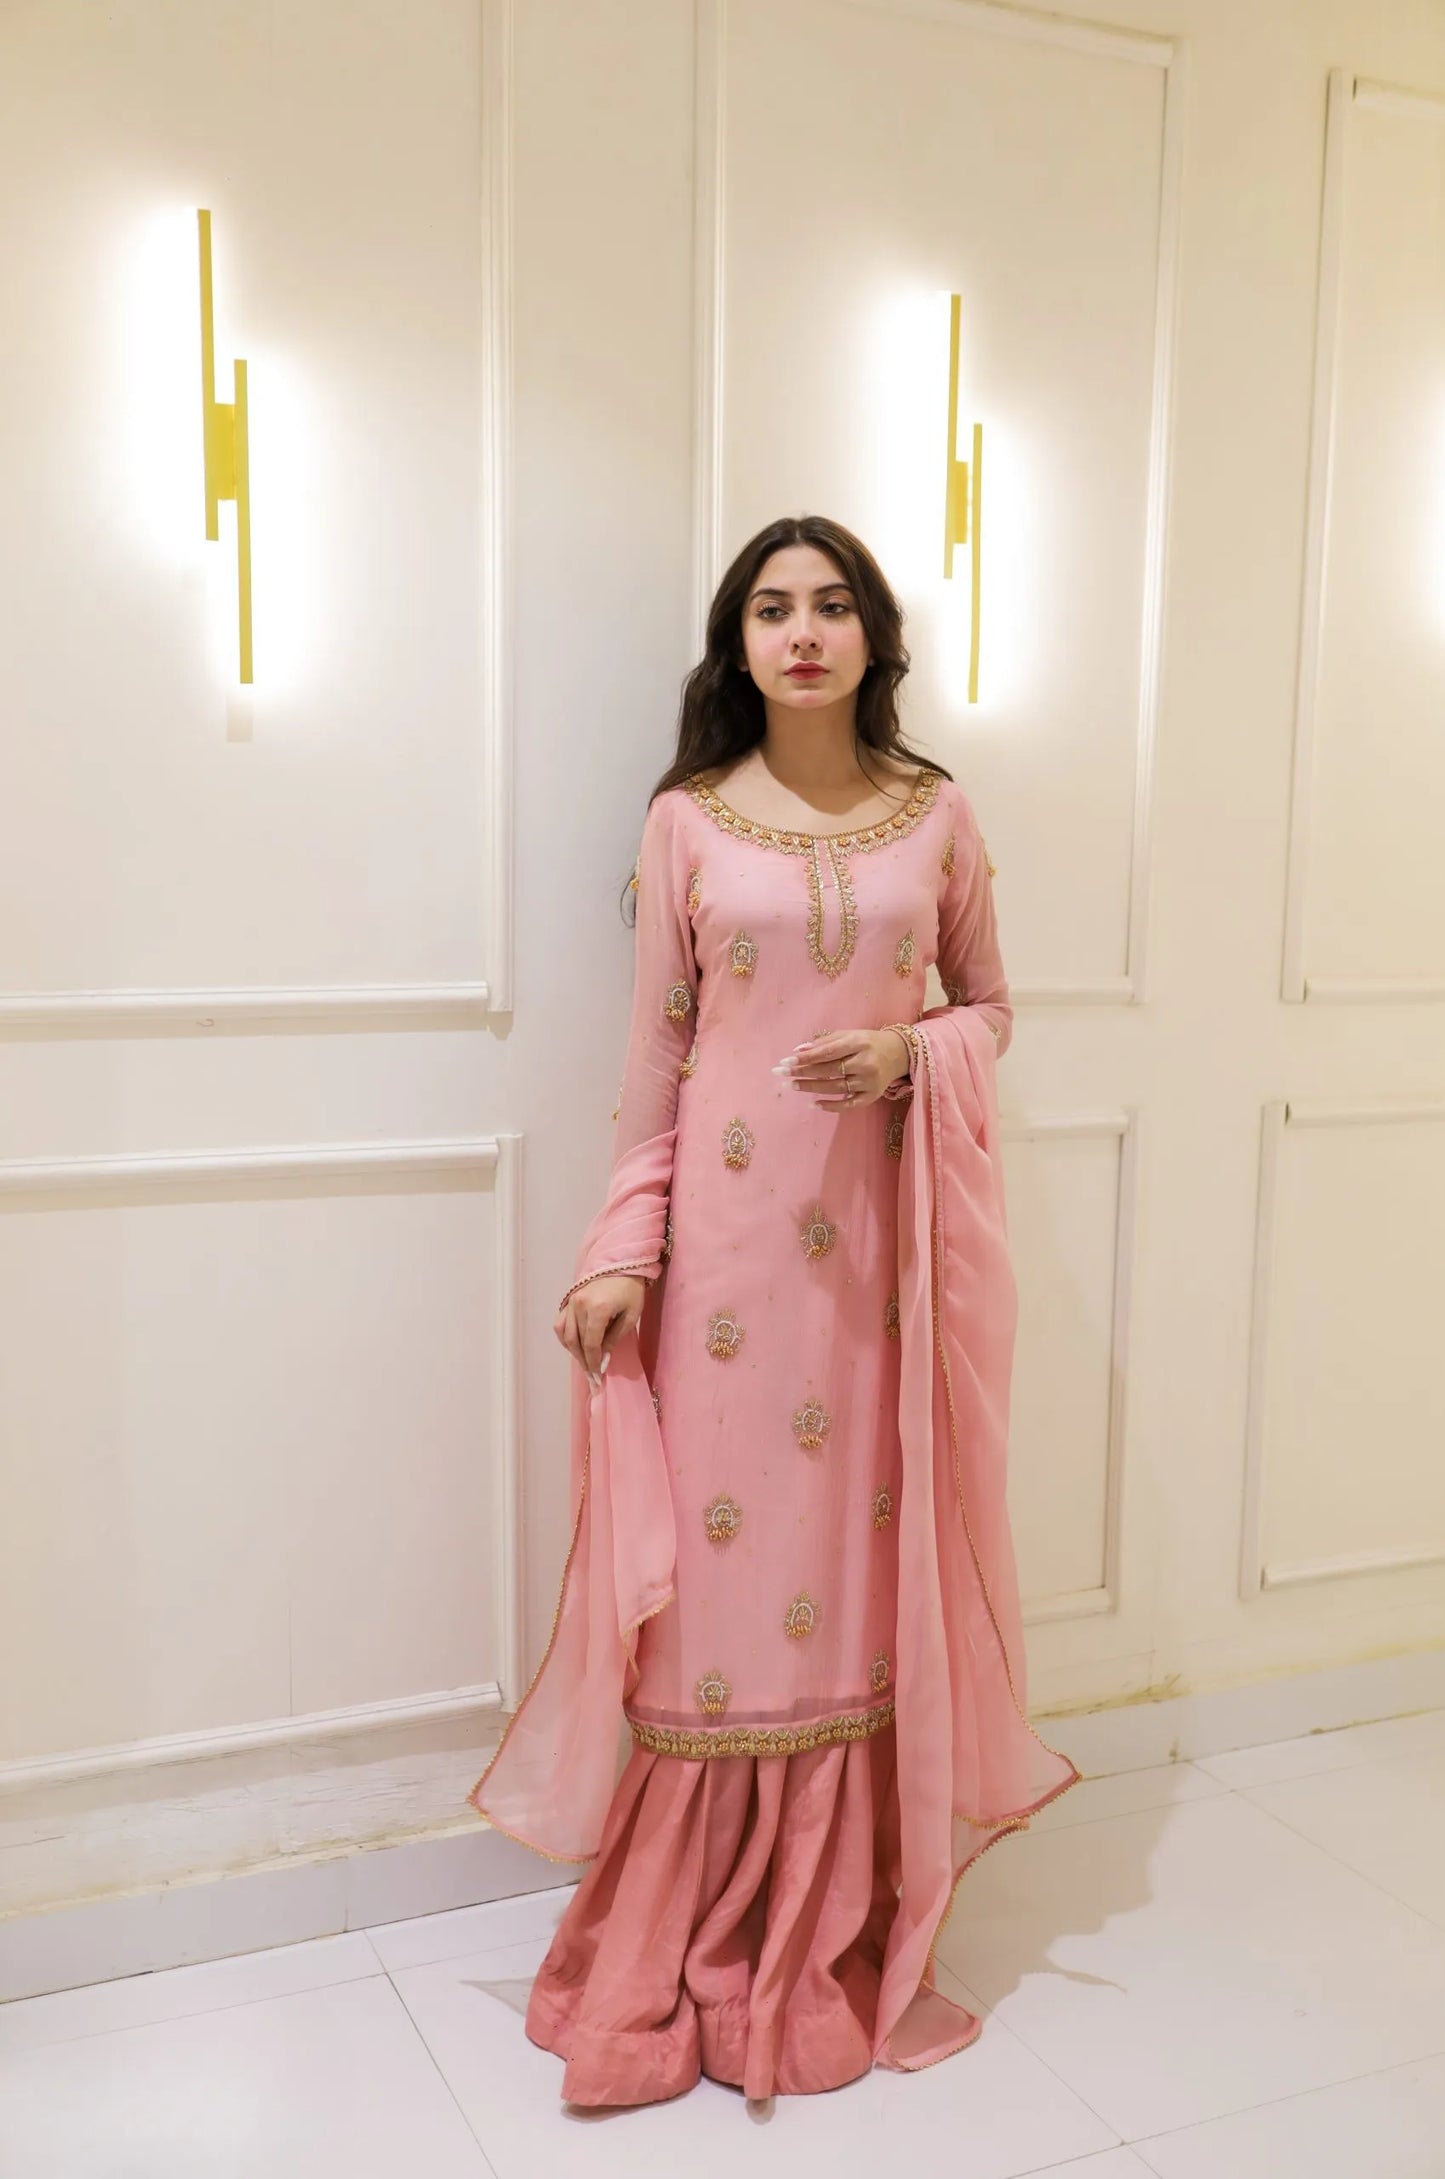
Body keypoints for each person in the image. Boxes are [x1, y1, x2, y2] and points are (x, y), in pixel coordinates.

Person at [468, 512, 1079, 2107]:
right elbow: (653, 1061)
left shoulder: (935, 816)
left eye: (828, 606)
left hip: (877, 1266)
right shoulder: (686, 822)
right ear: (735, 645)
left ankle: (842, 1908)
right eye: (767, 608)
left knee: (853, 1567)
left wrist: (913, 1052)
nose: (799, 631)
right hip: (730, 1268)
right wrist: (622, 1248)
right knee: (725, 1590)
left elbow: (993, 1010)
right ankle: (703, 1919)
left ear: (874, 636)